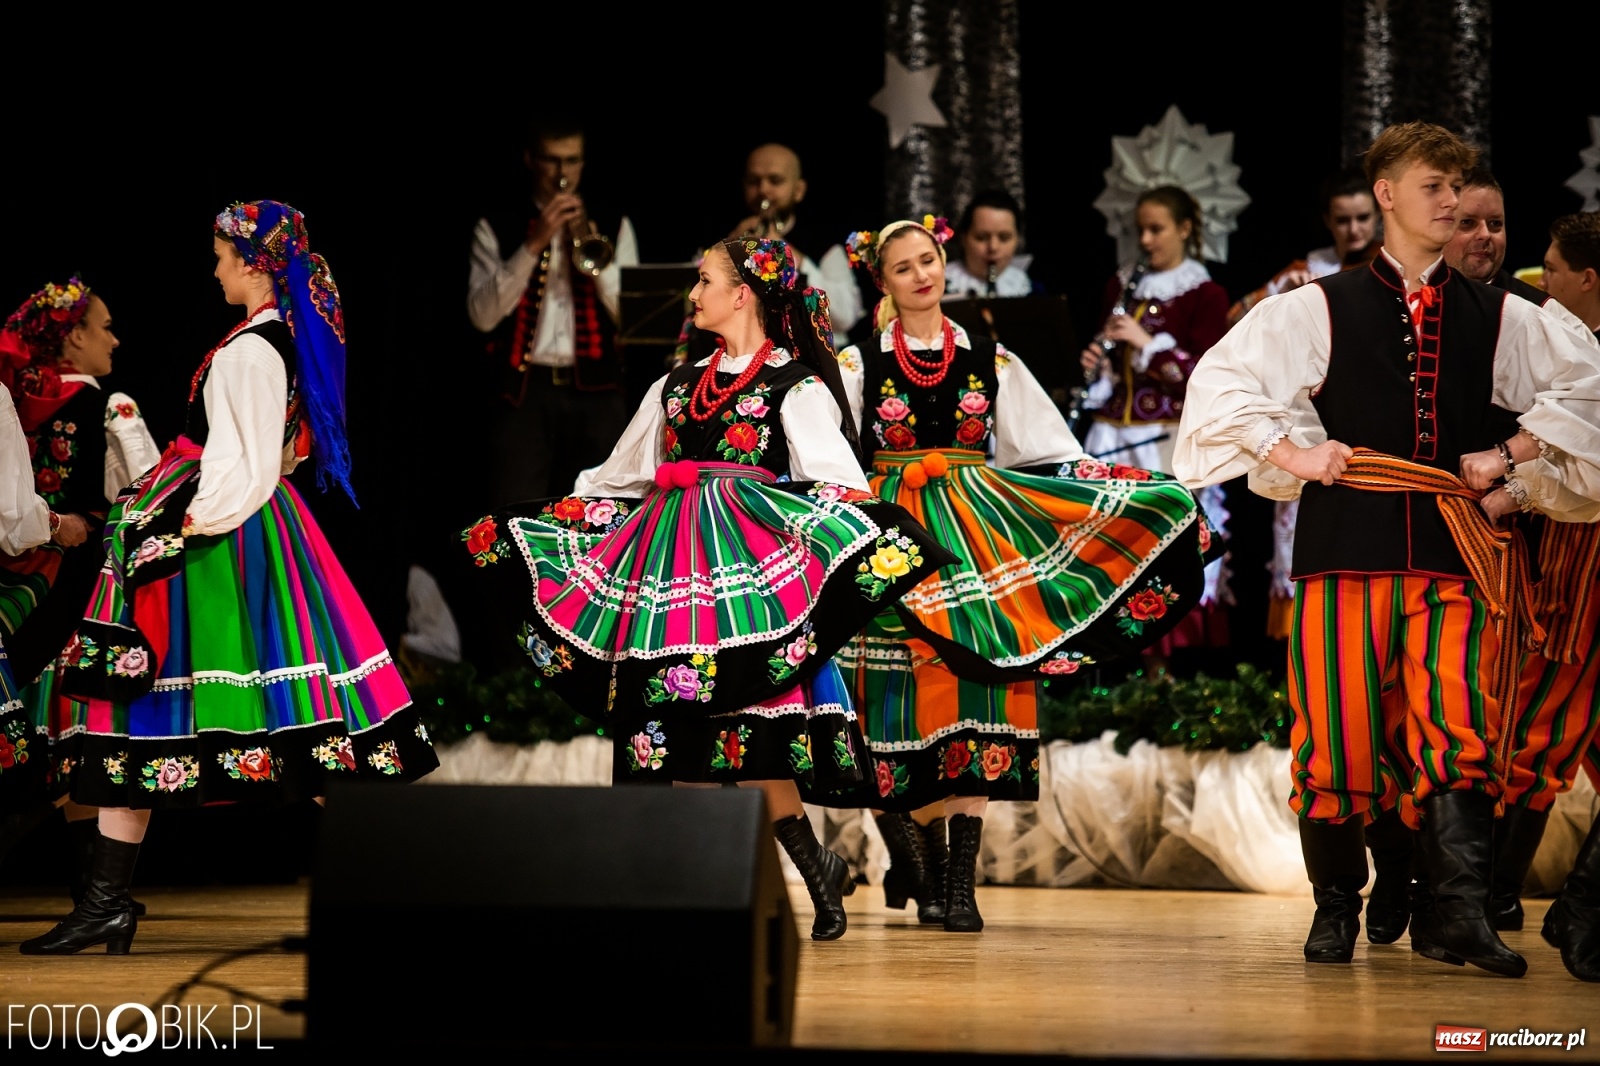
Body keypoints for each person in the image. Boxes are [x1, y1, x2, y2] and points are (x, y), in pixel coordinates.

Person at [1173, 121, 1600, 978]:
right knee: (1339, 733)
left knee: (1459, 727)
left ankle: (1457, 914)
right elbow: (1218, 385)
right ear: (1387, 195)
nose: (1450, 201)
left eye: (1458, 186)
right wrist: (1294, 452)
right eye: (1434, 186)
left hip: (1456, 547)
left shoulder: (1504, 313)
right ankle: (1338, 904)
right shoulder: (1316, 306)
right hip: (1347, 547)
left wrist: (1510, 456)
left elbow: (1589, 386)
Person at [463, 237, 951, 941]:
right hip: (668, 568)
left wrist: (809, 531)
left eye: (705, 281)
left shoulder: (796, 387)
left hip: (745, 577)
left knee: (750, 730)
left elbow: (838, 484)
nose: (693, 295)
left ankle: (818, 876)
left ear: (743, 292)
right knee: (674, 726)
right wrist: (553, 515)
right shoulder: (677, 384)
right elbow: (620, 473)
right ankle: (687, 897)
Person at [19, 200, 439, 956]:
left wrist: (179, 528)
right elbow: (280, 452)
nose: (213, 267)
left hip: (225, 546)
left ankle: (418, 875)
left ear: (253, 262)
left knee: (280, 726)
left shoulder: (252, 349)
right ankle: (107, 903)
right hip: (237, 532)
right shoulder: (265, 340)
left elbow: (243, 471)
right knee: (155, 718)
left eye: (220, 255)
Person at [830, 216, 1214, 931]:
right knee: (891, 697)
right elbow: (827, 459)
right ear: (881, 281)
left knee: (977, 684)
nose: (923, 275)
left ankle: (960, 883)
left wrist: (1115, 492)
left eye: (930, 260)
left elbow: (1047, 451)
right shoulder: (857, 366)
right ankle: (922, 861)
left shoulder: (990, 360)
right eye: (905, 267)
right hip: (895, 536)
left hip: (977, 533)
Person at [0, 277, 159, 902]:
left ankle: (91, 892)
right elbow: (142, 488)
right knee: (68, 727)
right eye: (105, 326)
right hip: (74, 576)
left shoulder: (16, 396)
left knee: (30, 721)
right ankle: (94, 890)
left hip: (12, 577)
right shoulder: (109, 406)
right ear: (73, 336)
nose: (115, 339)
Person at [1079, 185, 1232, 661]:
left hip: (1167, 440)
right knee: (1113, 554)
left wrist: (1147, 345)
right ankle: (1120, 671)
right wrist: (1096, 368)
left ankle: (1173, 672)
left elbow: (1205, 376)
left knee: (1169, 550)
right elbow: (1114, 374)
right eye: (1140, 229)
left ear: (1185, 229)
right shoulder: (1120, 285)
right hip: (1113, 437)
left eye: (1156, 229)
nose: (1145, 240)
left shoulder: (1205, 293)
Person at [467, 116, 638, 505]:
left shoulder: (614, 224)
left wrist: (591, 250)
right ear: (531, 160)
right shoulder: (496, 224)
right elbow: (482, 316)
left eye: (572, 161)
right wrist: (533, 245)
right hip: (525, 394)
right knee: (516, 509)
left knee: (601, 511)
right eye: (552, 160)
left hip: (598, 392)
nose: (563, 173)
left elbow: (630, 316)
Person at [728, 144, 862, 335]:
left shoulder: (825, 249)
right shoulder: (733, 237)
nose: (763, 189)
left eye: (775, 181)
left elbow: (845, 316)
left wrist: (789, 256)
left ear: (798, 190)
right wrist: (727, 253)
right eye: (753, 181)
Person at [1227, 171, 1381, 327]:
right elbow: (1235, 317)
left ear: (1377, 215)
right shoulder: (1307, 267)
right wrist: (1281, 292)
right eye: (1342, 221)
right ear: (1328, 220)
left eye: (1363, 218)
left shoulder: (1388, 261)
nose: (1353, 229)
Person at [942, 189, 1042, 298]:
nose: (993, 247)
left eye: (1004, 238)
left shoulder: (1030, 290)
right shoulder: (940, 286)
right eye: (981, 237)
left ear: (1018, 239)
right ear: (963, 238)